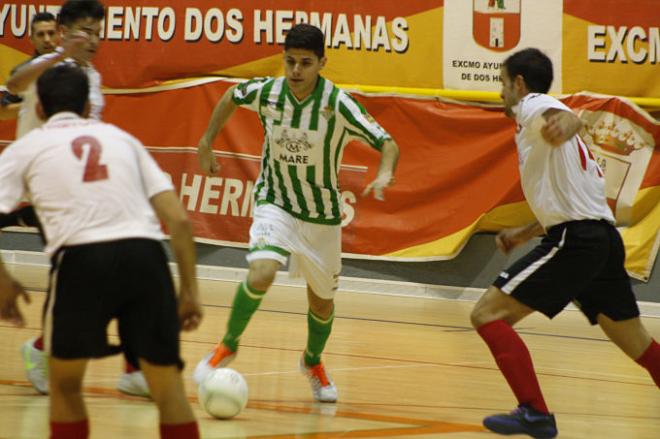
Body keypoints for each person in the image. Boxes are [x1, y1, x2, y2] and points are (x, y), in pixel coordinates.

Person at [194, 23, 399, 402]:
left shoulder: (338, 104)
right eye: (290, 61)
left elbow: (387, 143)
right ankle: (227, 345)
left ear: (322, 62)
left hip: (322, 217)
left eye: (306, 63)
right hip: (276, 203)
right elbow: (231, 96)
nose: (296, 71)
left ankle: (312, 361)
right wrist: (206, 142)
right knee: (262, 271)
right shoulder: (268, 93)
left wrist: (385, 173)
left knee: (321, 302)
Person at [0, 64, 202, 439]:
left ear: (40, 109)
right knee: (168, 389)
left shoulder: (26, 147)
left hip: (82, 261)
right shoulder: (122, 139)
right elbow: (180, 222)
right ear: (88, 105)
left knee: (64, 386)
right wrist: (189, 291)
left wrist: (3, 281)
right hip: (146, 258)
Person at [470, 48, 660, 438]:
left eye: (502, 85)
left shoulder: (532, 105)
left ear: (519, 84)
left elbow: (567, 117)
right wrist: (524, 233)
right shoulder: (558, 148)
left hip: (576, 241)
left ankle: (534, 412)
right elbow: (571, 202)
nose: (500, 94)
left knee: (487, 314)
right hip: (601, 241)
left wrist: (570, 122)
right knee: (639, 345)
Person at [5, 0, 150, 398]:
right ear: (65, 32)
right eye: (86, 31)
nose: (94, 41)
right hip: (43, 189)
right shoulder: (49, 69)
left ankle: (134, 367)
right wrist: (56, 54)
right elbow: (15, 83)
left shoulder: (93, 77)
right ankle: (44, 350)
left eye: (99, 33)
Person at [0, 12, 59, 121]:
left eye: (51, 33)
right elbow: (3, 112)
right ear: (31, 39)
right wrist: (33, 105)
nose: (47, 39)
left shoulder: (72, 67)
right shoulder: (22, 72)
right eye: (40, 34)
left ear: (59, 35)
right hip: (34, 135)